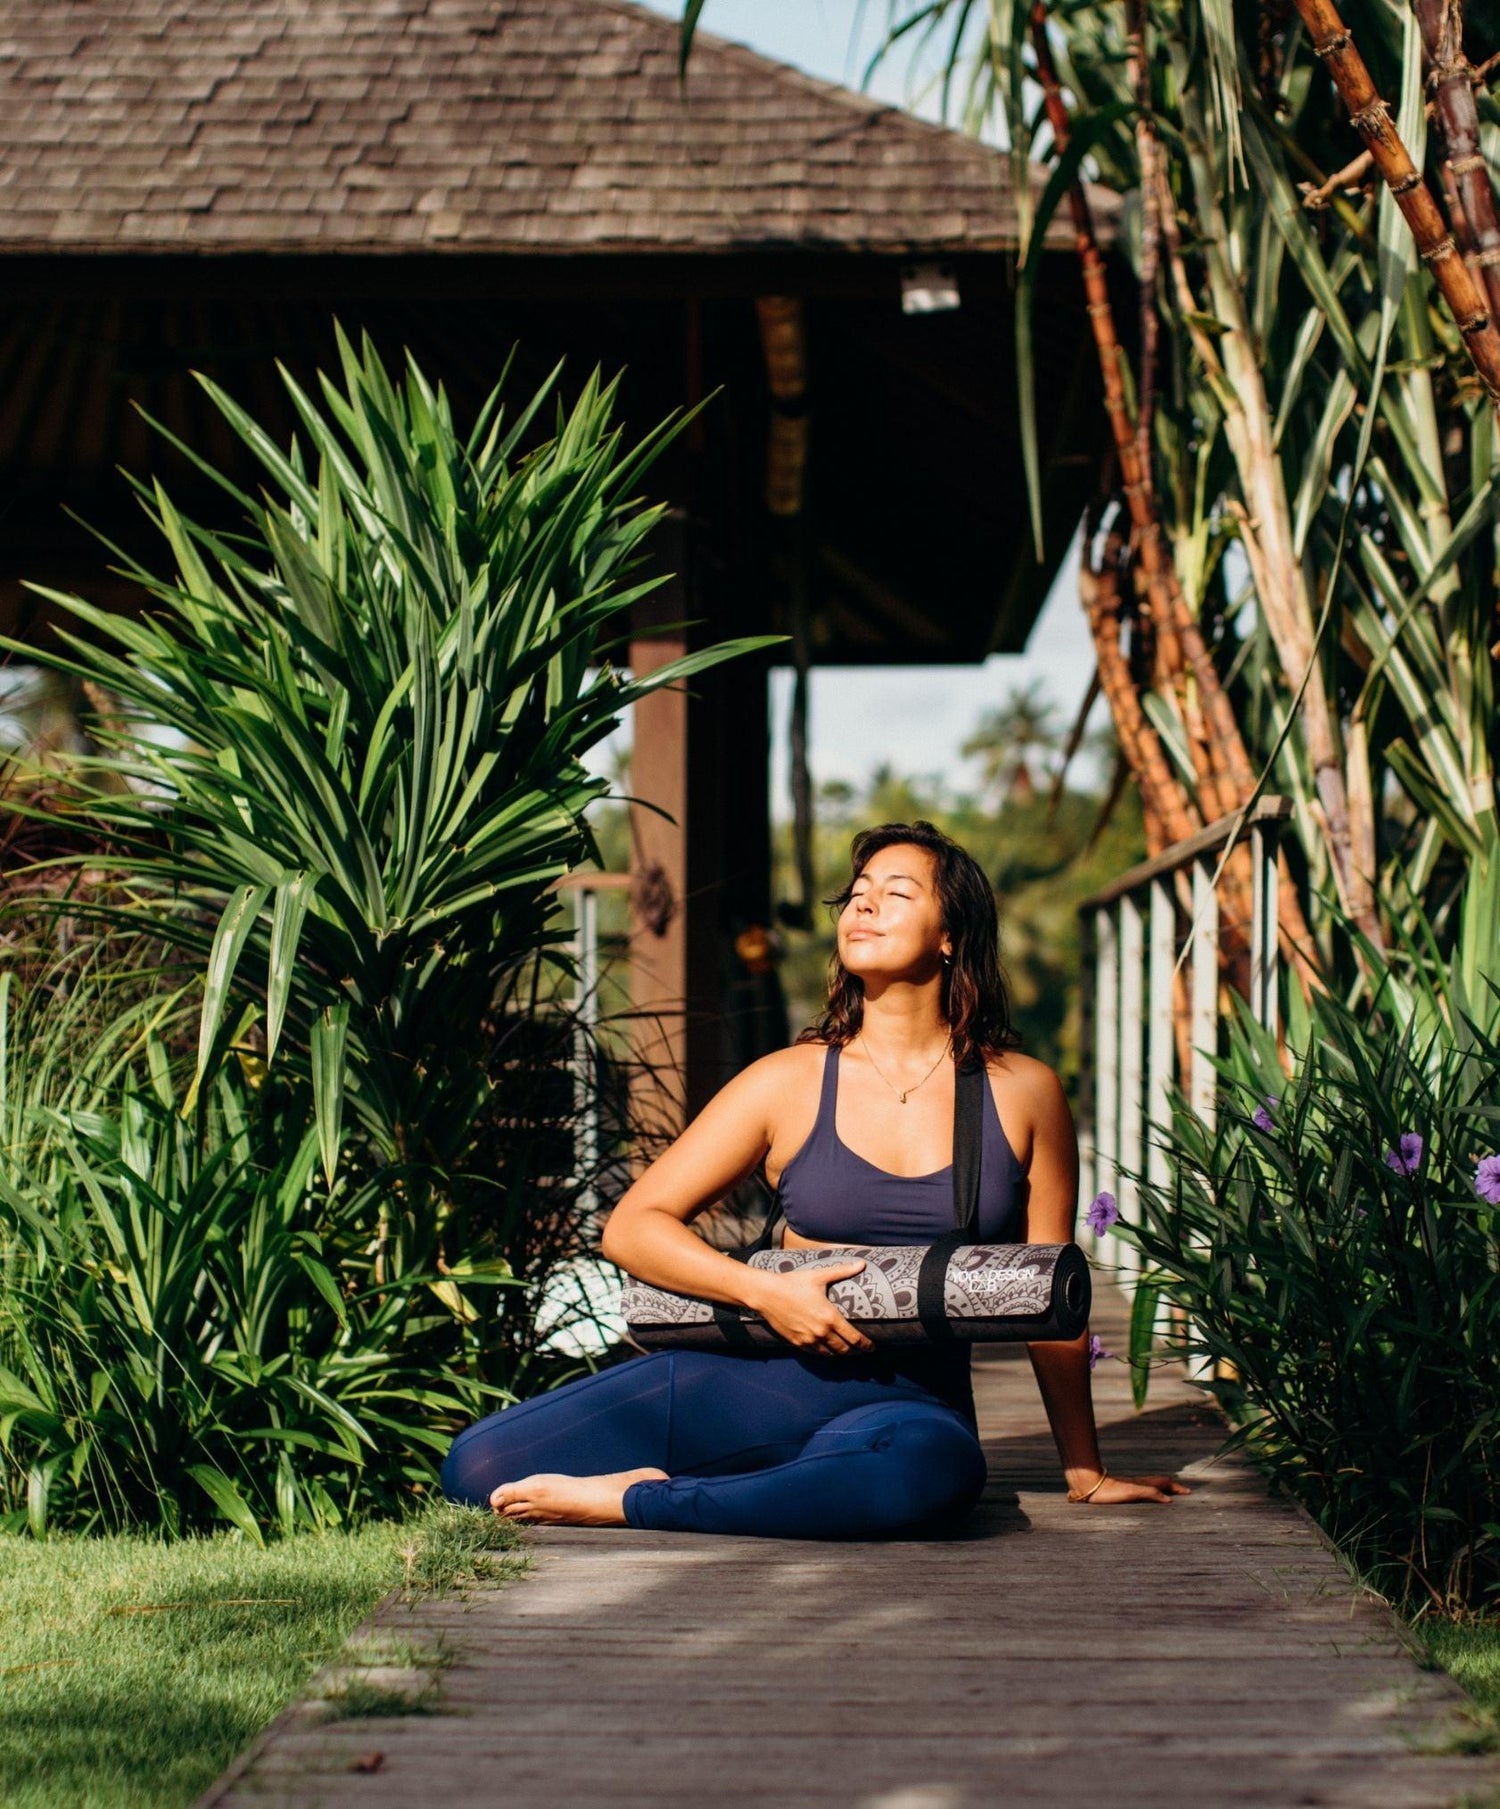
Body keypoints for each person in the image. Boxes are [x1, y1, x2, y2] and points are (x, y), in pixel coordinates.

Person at [440, 819, 1190, 1537]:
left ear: (951, 934)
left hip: (907, 1406)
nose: (863, 904)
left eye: (896, 892)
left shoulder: (1024, 1092)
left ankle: (637, 1500)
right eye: (858, 892)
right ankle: (757, 1488)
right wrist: (764, 1291)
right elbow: (634, 1227)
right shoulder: (787, 1081)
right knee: (476, 1467)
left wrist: (1085, 1470)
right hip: (756, 1380)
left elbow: (1050, 1298)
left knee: (929, 1475)